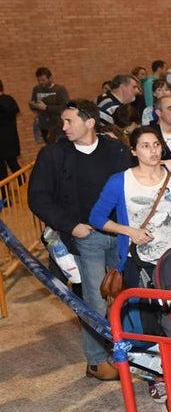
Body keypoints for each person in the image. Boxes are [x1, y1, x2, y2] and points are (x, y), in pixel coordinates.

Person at [89, 125, 171, 401]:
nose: (153, 151)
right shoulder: (119, 181)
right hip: (142, 261)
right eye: (145, 146)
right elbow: (97, 217)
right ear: (134, 151)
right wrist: (130, 232)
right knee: (152, 322)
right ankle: (157, 376)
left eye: (157, 145)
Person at [28, 100, 131, 381]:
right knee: (94, 301)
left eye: (69, 121)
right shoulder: (53, 154)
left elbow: (129, 187)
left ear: (89, 122)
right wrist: (71, 226)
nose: (63, 127)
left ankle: (125, 354)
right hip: (85, 239)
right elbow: (38, 197)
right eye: (63, 121)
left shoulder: (116, 150)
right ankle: (97, 361)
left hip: (119, 235)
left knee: (123, 297)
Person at [30, 67, 69, 144]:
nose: (41, 82)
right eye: (39, 80)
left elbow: (65, 107)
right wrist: (34, 105)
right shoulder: (36, 89)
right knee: (48, 147)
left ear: (50, 78)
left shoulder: (60, 89)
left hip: (57, 124)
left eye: (43, 80)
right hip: (44, 124)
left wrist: (47, 108)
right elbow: (33, 103)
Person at [0, 79, 21, 179]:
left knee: (3, 171)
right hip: (11, 139)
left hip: (4, 141)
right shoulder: (9, 99)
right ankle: (25, 188)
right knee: (13, 166)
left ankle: (5, 194)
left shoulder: (6, 100)